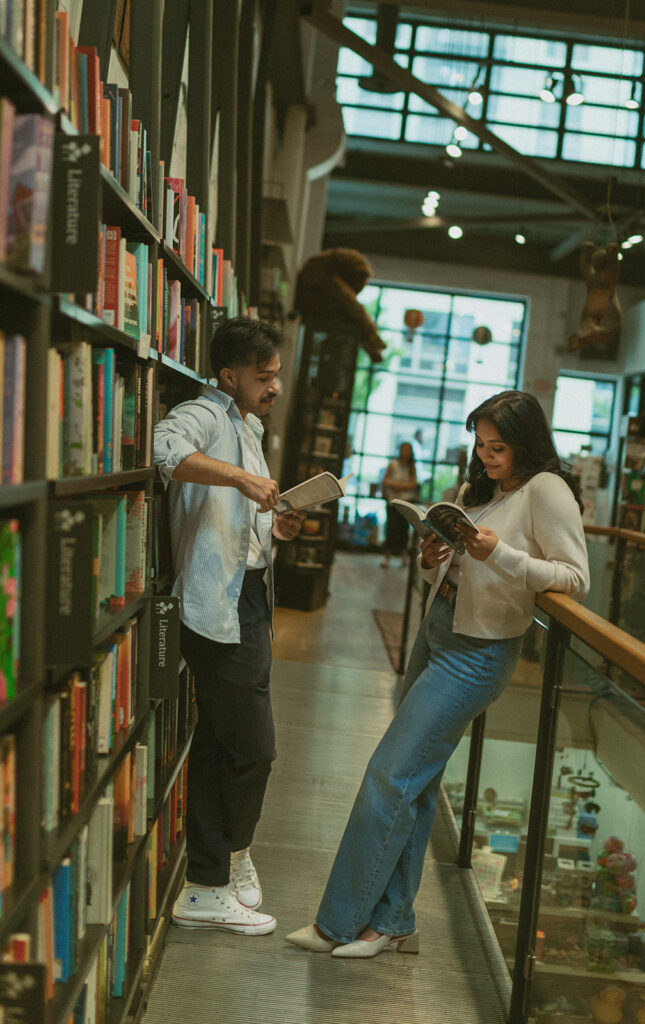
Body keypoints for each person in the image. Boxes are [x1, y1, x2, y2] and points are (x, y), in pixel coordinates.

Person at [286, 390, 589, 958]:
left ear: (525, 443)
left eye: (497, 447)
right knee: (417, 785)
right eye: (479, 444)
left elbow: (574, 577)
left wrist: (498, 553)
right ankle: (396, 920)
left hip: (477, 654)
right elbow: (458, 570)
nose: (486, 456)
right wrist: (433, 559)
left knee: (388, 774)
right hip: (438, 630)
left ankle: (340, 923)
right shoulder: (481, 488)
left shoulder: (547, 490)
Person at [153, 317, 305, 936]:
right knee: (254, 749)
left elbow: (242, 526)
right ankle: (229, 860)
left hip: (250, 597)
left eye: (275, 375)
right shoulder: (207, 415)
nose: (274, 387)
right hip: (218, 605)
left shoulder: (248, 424)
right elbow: (165, 450)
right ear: (229, 376)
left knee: (220, 741)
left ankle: (207, 881)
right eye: (263, 377)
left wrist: (277, 526)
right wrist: (242, 477)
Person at [380, 442, 418, 567]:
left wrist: (397, 486)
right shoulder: (393, 464)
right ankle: (387, 557)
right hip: (393, 502)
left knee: (404, 529)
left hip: (406, 502)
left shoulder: (412, 467)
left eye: (409, 450)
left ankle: (404, 557)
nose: (406, 453)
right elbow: (385, 481)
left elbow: (413, 485)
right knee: (391, 529)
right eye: (404, 449)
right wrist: (401, 486)